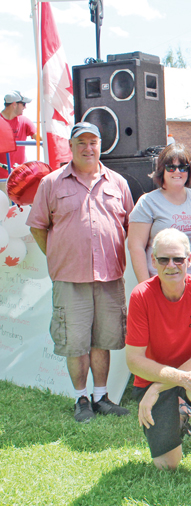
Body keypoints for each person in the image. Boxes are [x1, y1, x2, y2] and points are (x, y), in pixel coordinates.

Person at [28, 122, 133, 422]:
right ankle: (81, 399)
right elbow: (38, 226)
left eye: (93, 142)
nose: (88, 148)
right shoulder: (52, 183)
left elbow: (130, 227)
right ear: (71, 147)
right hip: (70, 279)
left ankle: (101, 397)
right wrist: (59, 254)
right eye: (81, 142)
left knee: (104, 338)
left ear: (101, 145)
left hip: (110, 278)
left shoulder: (118, 183)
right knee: (75, 342)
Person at [125, 229, 191, 488]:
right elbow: (134, 361)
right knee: (167, 466)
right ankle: (181, 414)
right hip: (154, 380)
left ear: (189, 260)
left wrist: (159, 387)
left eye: (178, 259)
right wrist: (168, 381)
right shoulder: (140, 295)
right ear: (153, 261)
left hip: (173, 380)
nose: (171, 266)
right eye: (163, 260)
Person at [128, 144, 191, 283]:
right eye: (171, 167)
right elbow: (136, 247)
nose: (177, 172)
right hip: (163, 288)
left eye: (183, 167)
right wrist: (145, 287)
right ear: (162, 170)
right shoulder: (147, 202)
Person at [1, 91, 36, 182]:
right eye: (23, 104)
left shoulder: (25, 121)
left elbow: (40, 138)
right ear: (14, 105)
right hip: (2, 178)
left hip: (21, 176)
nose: (25, 107)